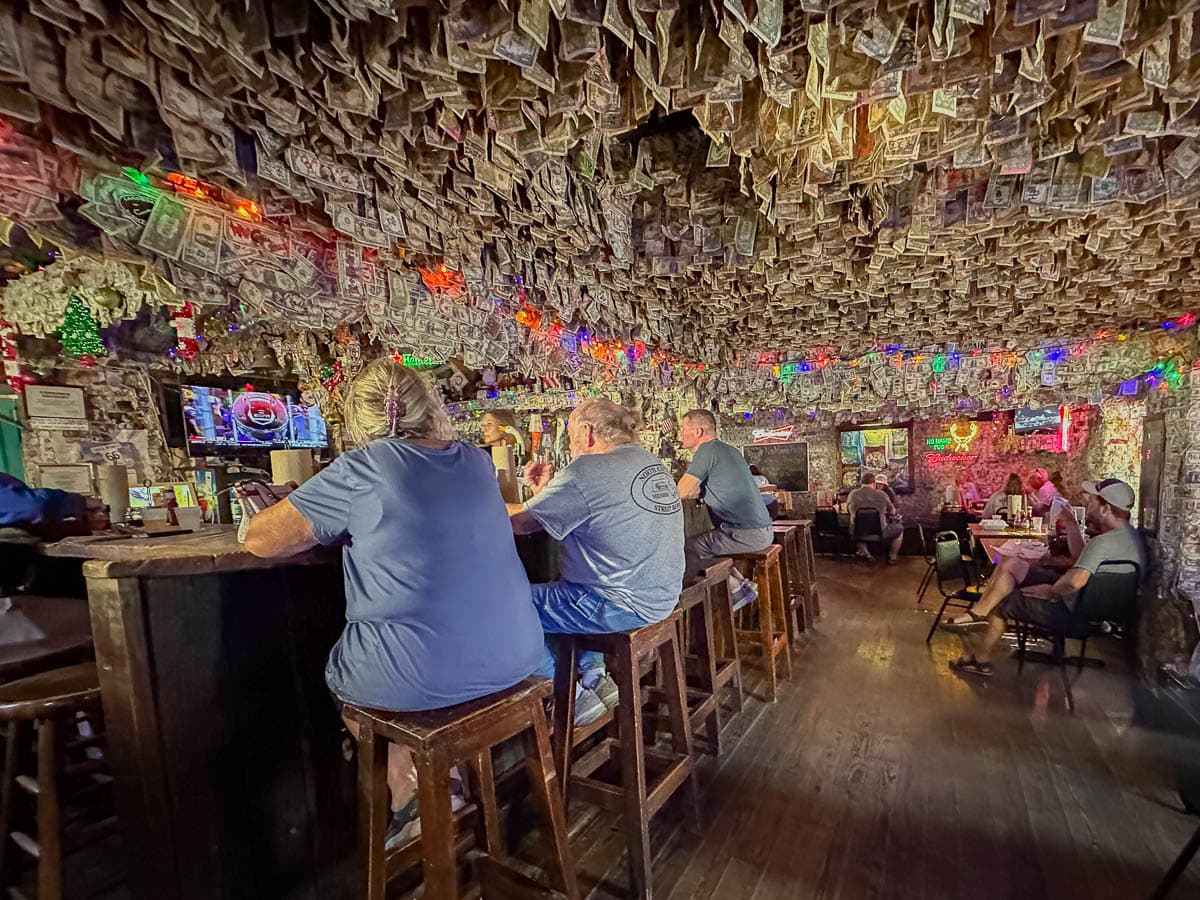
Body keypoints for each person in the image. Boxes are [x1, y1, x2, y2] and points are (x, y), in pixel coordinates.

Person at [244, 359, 544, 846]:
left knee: (343, 679)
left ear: (358, 419)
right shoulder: (477, 460)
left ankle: (413, 795)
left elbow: (261, 539)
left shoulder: (362, 466)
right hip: (518, 660)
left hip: (422, 680)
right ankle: (449, 776)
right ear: (428, 407)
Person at [509, 399, 684, 725]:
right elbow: (600, 511)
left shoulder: (585, 470)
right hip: (661, 598)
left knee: (505, 606)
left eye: (570, 436)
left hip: (619, 605)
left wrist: (477, 504)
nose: (570, 445)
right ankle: (593, 675)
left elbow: (520, 523)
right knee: (569, 587)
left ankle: (567, 694)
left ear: (587, 433)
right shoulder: (650, 463)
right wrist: (547, 492)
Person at [946, 478, 1145, 677]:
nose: (1087, 502)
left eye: (1093, 500)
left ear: (1105, 509)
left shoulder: (1103, 543)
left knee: (1004, 598)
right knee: (1010, 563)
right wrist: (1070, 521)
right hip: (1093, 609)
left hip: (1073, 614)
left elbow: (1075, 581)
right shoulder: (1132, 538)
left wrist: (1051, 591)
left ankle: (981, 659)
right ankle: (978, 612)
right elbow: (1080, 558)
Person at [676, 409, 774, 574]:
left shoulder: (706, 451)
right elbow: (696, 491)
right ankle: (737, 587)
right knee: (708, 548)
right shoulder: (729, 450)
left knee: (687, 548)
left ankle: (734, 592)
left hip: (746, 534)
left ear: (698, 431)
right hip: (762, 530)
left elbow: (680, 492)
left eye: (683, 429)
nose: (680, 434)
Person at [847, 472, 903, 564]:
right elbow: (893, 512)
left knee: (855, 527)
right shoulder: (882, 494)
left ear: (861, 483)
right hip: (880, 532)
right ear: (874, 483)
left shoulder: (852, 494)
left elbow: (849, 511)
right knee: (900, 529)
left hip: (857, 531)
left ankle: (864, 551)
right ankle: (892, 557)